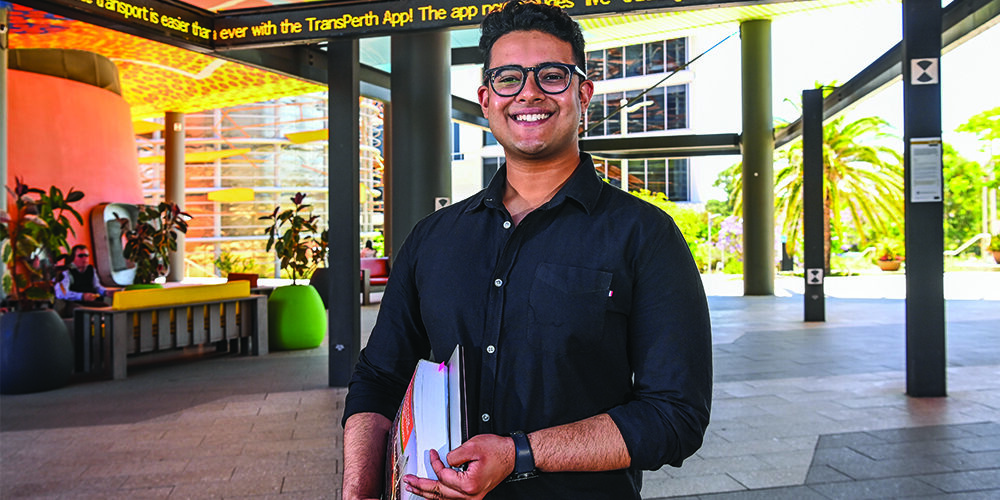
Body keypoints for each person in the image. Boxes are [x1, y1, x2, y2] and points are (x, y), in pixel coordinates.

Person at [342, 2, 712, 499]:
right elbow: (378, 379)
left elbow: (675, 415)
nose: (529, 92)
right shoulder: (433, 238)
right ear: (486, 98)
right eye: (509, 77)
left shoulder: (645, 236)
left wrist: (519, 453)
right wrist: (358, 492)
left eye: (552, 75)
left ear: (583, 93)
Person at [55, 244, 107, 314]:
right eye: (80, 256)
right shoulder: (66, 272)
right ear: (73, 258)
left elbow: (97, 287)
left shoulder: (91, 269)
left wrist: (106, 292)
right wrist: (82, 296)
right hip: (75, 303)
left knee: (106, 308)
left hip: (90, 301)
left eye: (86, 255)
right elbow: (61, 293)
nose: (84, 258)